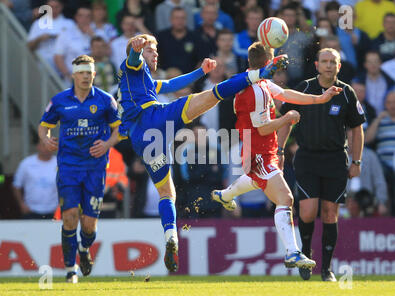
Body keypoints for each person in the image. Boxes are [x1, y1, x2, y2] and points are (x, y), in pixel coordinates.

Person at [116, 33, 289, 272]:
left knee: (167, 193)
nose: (155, 52)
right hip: (154, 118)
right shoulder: (131, 66)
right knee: (214, 95)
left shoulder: (138, 82)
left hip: (142, 139)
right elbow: (133, 58)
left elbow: (170, 85)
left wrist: (200, 72)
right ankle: (261, 73)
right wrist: (136, 48)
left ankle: (170, 236)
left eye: (155, 49)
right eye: (150, 50)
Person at [212, 41, 342, 271]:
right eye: (273, 59)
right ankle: (293, 252)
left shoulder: (255, 80)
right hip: (258, 151)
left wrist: (319, 99)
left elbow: (284, 93)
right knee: (285, 199)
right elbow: (262, 128)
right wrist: (287, 118)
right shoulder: (256, 91)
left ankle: (225, 194)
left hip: (262, 149)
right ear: (267, 61)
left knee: (256, 180)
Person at [277, 48, 366, 282]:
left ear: (339, 66)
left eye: (332, 62)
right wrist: (279, 149)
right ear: (316, 65)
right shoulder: (304, 88)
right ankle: (306, 256)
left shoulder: (347, 93)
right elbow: (286, 119)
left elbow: (357, 129)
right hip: (307, 157)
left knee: (329, 214)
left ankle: (326, 269)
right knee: (307, 212)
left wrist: (357, 161)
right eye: (324, 61)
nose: (328, 65)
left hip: (336, 159)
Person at [38, 54, 121, 283]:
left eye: (89, 73)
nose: (86, 76)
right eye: (82, 72)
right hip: (68, 167)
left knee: (89, 225)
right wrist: (46, 139)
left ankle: (84, 249)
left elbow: (119, 130)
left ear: (94, 74)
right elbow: (43, 127)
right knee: (69, 217)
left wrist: (107, 144)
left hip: (95, 168)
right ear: (74, 75)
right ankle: (69, 270)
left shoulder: (106, 101)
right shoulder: (60, 101)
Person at [12, 139, 58, 219]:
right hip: (30, 210)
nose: (46, 148)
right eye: (44, 145)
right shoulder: (26, 163)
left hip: (54, 211)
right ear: (38, 146)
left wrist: (61, 207)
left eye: (49, 145)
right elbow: (16, 186)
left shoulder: (60, 163)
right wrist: (21, 204)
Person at [27, 0, 75, 71]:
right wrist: (39, 39)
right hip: (43, 64)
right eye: (51, 7)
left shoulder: (70, 24)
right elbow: (29, 46)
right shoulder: (38, 23)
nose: (53, 10)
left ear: (61, 7)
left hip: (64, 63)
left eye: (56, 7)